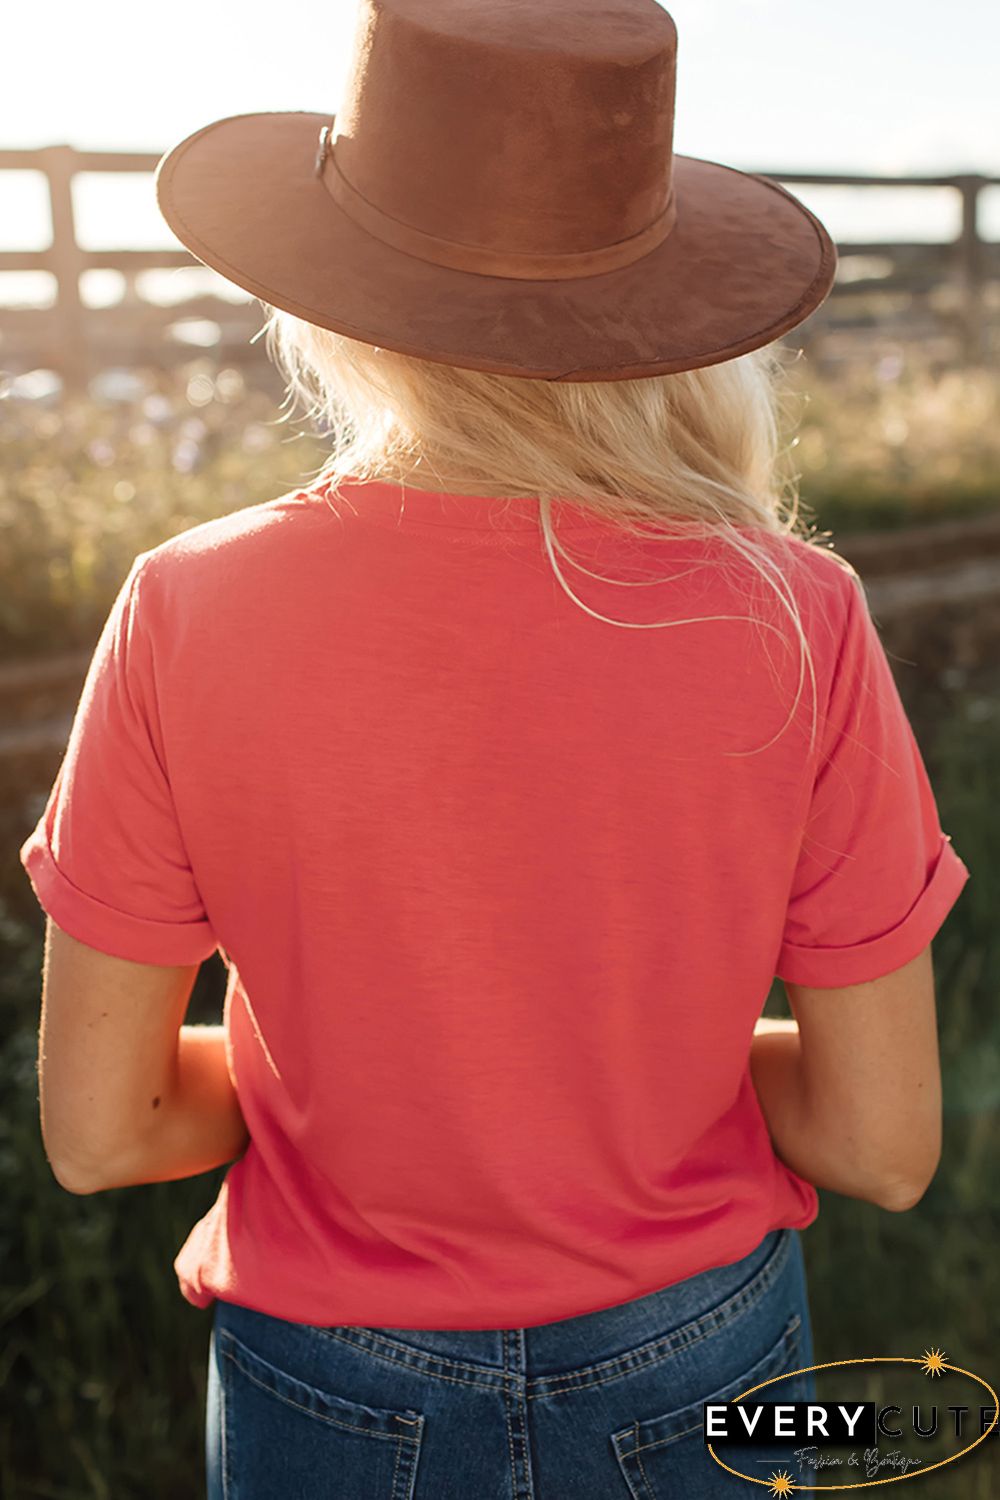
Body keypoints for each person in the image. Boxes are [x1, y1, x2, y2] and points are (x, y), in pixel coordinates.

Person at [20, 1, 970, 1495]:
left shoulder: (187, 605)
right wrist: (629, 1074)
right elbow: (882, 1141)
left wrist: (360, 1085)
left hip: (327, 1382)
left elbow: (104, 1127)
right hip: (701, 1361)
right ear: (655, 307)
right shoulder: (798, 613)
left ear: (330, 291)